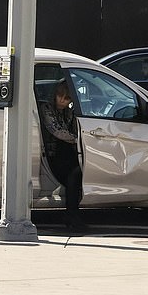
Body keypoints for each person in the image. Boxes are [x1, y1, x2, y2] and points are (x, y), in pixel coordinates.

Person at [39, 80, 89, 232]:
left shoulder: (68, 112)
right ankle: (72, 215)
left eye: (67, 98)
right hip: (52, 156)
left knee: (77, 174)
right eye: (60, 96)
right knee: (73, 176)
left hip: (66, 154)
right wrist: (77, 139)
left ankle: (72, 214)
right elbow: (56, 130)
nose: (62, 100)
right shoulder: (46, 107)